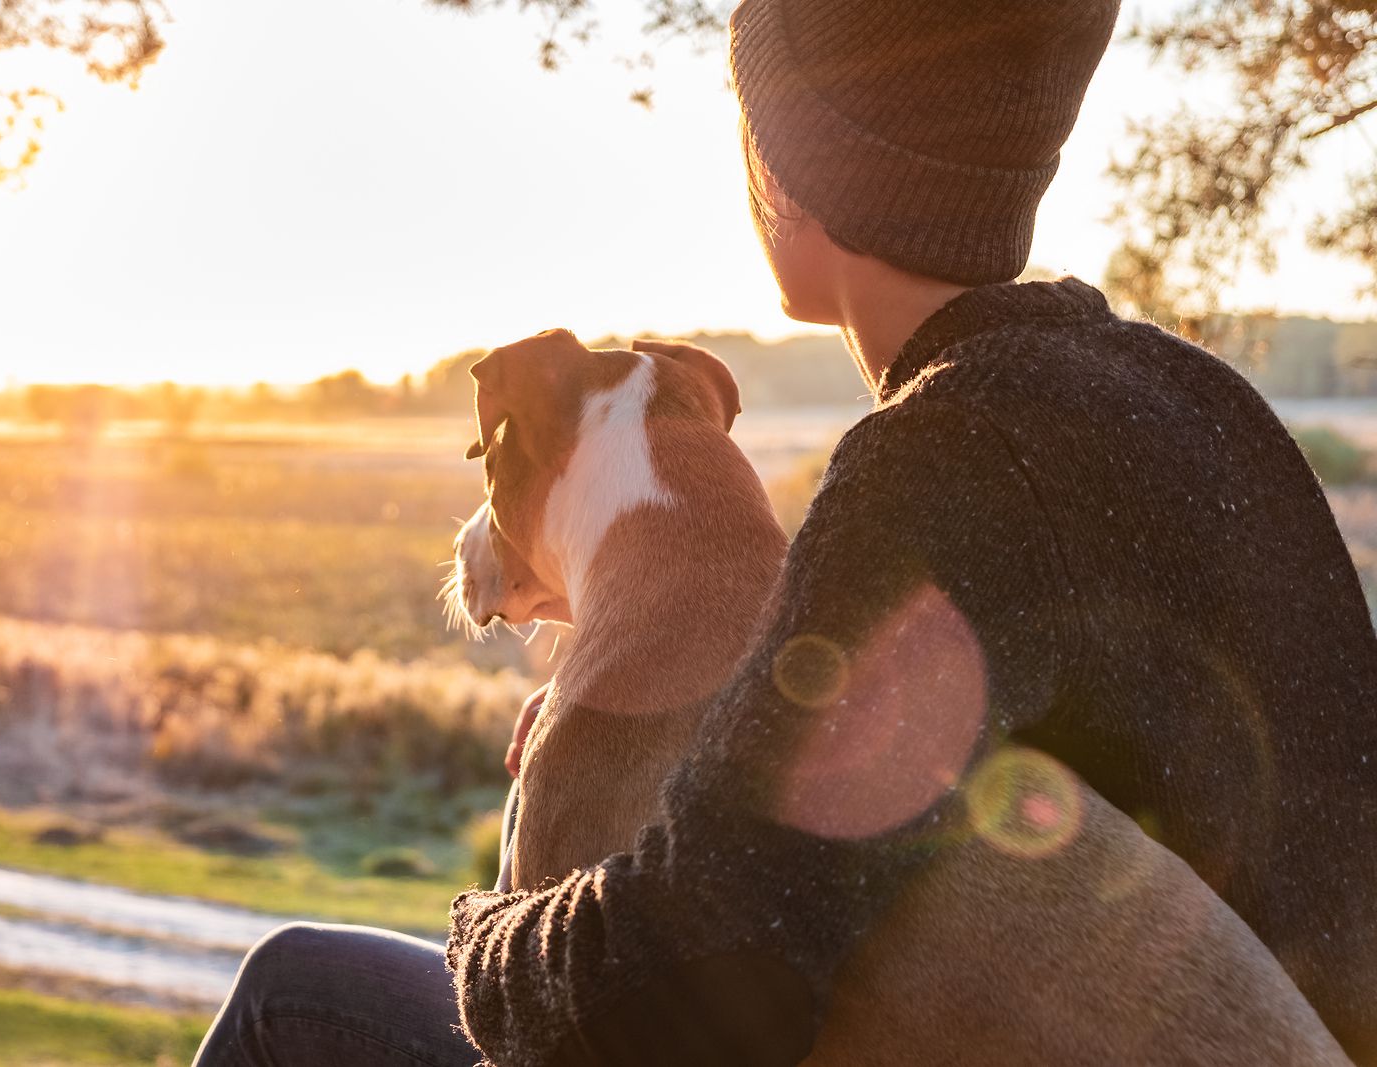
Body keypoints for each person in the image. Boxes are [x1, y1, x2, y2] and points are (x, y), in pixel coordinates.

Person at [193, 1, 1377, 1064]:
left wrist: (486, 925)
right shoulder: (1203, 402)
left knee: (298, 995)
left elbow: (699, 981)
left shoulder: (946, 453)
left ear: (788, 180)